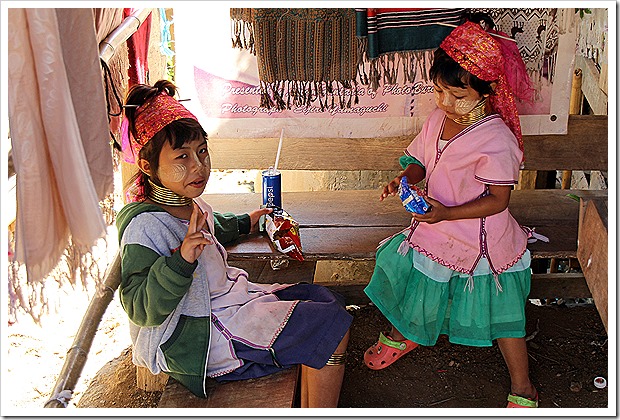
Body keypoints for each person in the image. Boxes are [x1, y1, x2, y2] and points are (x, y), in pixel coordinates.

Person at [116, 80, 352, 407]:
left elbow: (213, 228)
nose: (198, 166)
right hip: (201, 334)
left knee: (325, 299)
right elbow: (140, 308)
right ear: (147, 166)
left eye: (202, 151)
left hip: (230, 305)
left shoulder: (189, 204)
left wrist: (247, 221)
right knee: (331, 327)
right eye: (182, 156)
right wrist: (181, 261)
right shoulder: (145, 227)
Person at [362, 21, 539, 408]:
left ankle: (523, 385)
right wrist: (404, 178)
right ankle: (404, 333)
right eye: (439, 91)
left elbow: (497, 201)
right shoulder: (438, 120)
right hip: (434, 228)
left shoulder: (496, 140)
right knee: (415, 284)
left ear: (487, 92)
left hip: (483, 241)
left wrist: (447, 212)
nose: (444, 102)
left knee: (504, 313)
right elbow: (420, 161)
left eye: (456, 94)